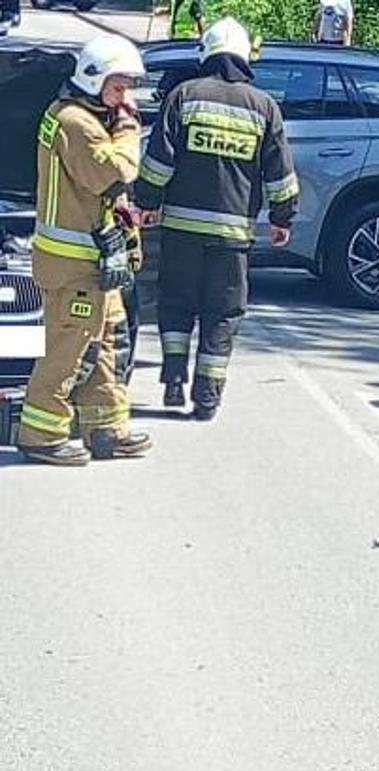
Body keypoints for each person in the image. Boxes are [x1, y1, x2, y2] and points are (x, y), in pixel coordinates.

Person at [133, 17, 297, 422]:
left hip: (181, 232)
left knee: (175, 303)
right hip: (232, 238)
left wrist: (147, 201)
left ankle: (173, 377)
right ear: (244, 57)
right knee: (222, 314)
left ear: (206, 53)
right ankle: (206, 398)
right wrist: (282, 217)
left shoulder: (184, 95)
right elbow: (280, 174)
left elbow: (157, 162)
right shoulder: (264, 108)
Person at [16, 35, 153, 466]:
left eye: (129, 87)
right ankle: (41, 433)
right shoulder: (76, 122)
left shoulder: (86, 116)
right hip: (71, 263)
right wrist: (131, 128)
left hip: (91, 262)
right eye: (118, 87)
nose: (125, 97)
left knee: (108, 340)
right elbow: (114, 174)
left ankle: (107, 428)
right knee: (69, 348)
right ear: (93, 80)